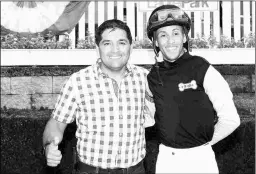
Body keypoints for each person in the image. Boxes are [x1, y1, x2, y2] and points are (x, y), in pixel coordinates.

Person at [43, 19, 155, 174]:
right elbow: (56, 124)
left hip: (135, 170)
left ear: (131, 46)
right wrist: (49, 146)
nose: (115, 50)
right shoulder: (78, 81)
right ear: (97, 48)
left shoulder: (146, 79)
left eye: (122, 42)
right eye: (107, 43)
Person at [146, 5, 241, 174]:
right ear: (155, 42)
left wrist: (202, 146)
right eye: (162, 35)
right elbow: (149, 118)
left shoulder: (202, 68)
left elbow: (231, 119)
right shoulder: (152, 77)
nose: (170, 40)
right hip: (166, 160)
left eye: (176, 33)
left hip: (201, 159)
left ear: (184, 37)